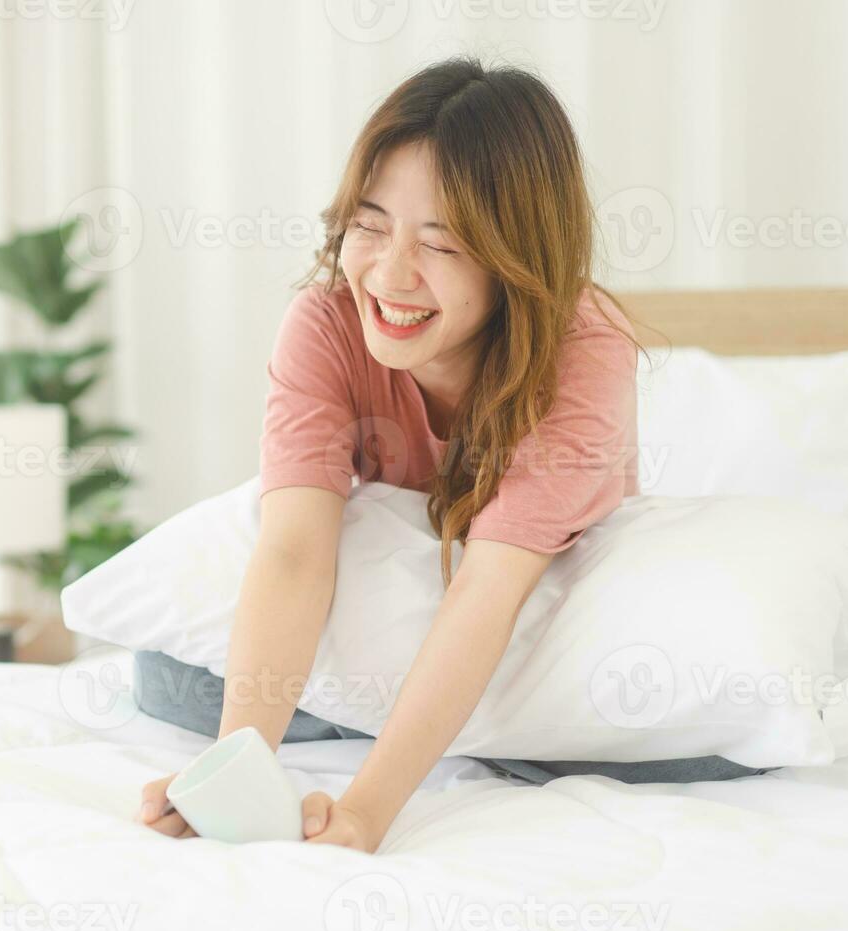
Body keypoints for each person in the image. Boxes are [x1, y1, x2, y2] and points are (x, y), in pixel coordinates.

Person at [135, 56, 773, 854]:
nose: (390, 275)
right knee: (166, 681)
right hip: (406, 626)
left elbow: (488, 591)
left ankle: (455, 731)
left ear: (516, 260)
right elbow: (296, 551)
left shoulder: (584, 347)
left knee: (712, 736)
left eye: (442, 244)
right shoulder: (325, 325)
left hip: (525, 616)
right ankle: (435, 727)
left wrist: (365, 811)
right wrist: (231, 775)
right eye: (369, 225)